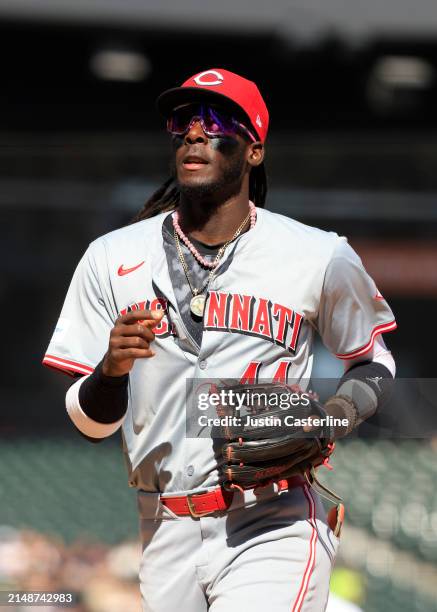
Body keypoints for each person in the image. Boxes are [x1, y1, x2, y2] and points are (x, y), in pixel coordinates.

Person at [43, 68, 397, 611]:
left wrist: (333, 416)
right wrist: (110, 371)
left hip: (272, 519)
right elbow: (90, 423)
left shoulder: (316, 254)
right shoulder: (111, 257)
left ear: (253, 150)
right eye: (184, 120)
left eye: (216, 121)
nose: (194, 133)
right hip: (162, 528)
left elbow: (375, 364)